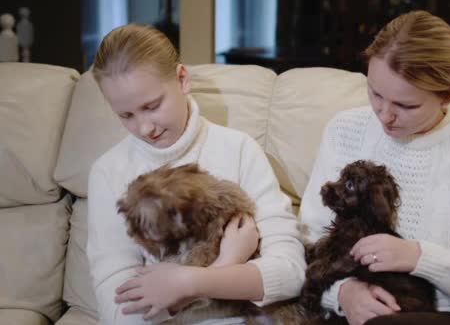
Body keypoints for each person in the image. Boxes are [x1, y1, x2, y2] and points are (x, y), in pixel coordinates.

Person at [299, 10, 450, 325]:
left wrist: (421, 258)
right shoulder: (344, 131)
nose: (384, 115)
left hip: (446, 316)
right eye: (375, 93)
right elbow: (305, 244)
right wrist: (342, 293)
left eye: (406, 105)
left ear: (448, 94)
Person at [87, 23, 306, 324]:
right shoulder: (108, 172)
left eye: (152, 106)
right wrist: (226, 264)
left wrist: (186, 284)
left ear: (182, 78)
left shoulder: (239, 150)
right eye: (126, 115)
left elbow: (290, 273)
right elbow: (119, 315)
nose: (144, 128)